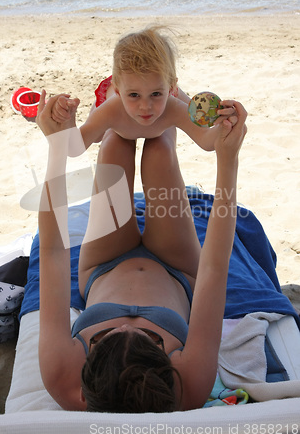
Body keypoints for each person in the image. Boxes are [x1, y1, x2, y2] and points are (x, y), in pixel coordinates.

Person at [36, 85, 247, 413]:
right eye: (151, 339)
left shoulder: (62, 374)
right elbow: (215, 266)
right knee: (160, 148)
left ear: (82, 391)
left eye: (105, 337)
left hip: (104, 264)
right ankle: (161, 98)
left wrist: (57, 147)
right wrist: (228, 158)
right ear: (169, 370)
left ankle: (122, 103)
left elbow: (51, 252)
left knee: (114, 146)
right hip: (175, 266)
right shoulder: (189, 383)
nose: (126, 323)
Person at [50, 26, 238, 155]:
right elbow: (74, 148)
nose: (145, 106)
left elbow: (205, 140)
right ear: (118, 90)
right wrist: (68, 121)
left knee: (190, 112)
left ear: (171, 87)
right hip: (115, 102)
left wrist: (224, 127)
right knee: (99, 136)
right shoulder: (111, 108)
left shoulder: (173, 104)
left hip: (155, 89)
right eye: (134, 95)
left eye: (156, 94)